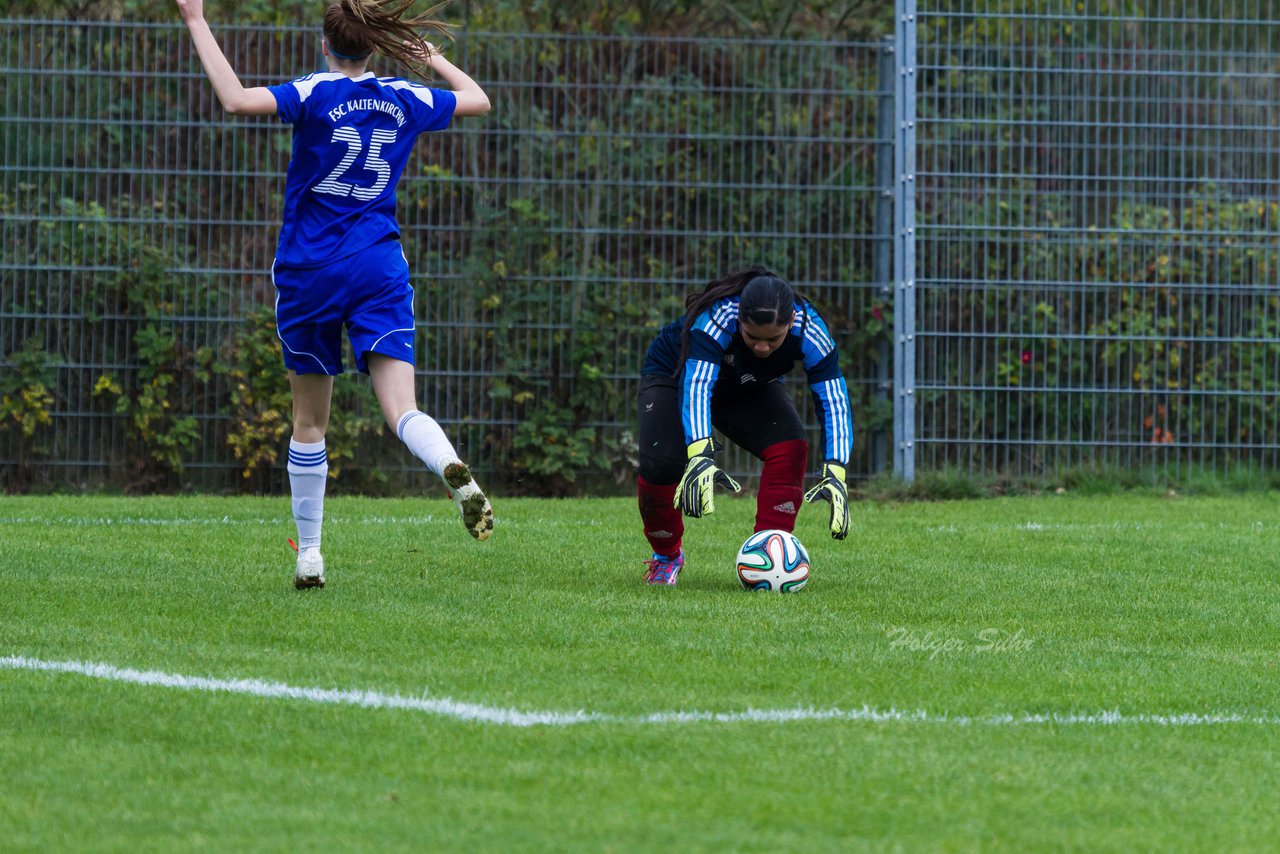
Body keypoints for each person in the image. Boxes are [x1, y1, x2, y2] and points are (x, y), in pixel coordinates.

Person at [176, 0, 495, 589]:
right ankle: (445, 460)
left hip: (310, 271)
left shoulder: (315, 92)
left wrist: (196, 20)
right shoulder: (404, 97)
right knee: (403, 410)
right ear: (375, 47)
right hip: (378, 264)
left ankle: (311, 556)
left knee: (309, 423)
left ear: (326, 46)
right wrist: (431, 57)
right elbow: (478, 99)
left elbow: (235, 99)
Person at [636, 266, 853, 585]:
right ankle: (666, 557)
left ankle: (769, 556)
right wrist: (699, 455)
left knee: (790, 446)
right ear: (739, 321)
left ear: (791, 322)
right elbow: (697, 385)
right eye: (753, 337)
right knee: (662, 464)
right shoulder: (718, 317)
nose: (762, 348)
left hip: (746, 384)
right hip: (674, 375)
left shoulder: (810, 330)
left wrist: (837, 469)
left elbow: (833, 398)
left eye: (773, 339)